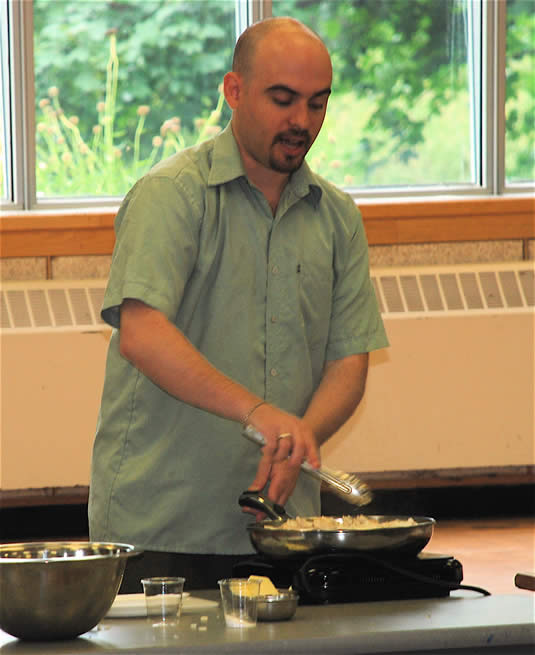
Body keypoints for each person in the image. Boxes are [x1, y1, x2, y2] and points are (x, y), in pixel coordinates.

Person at [88, 16, 388, 591]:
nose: (302, 121)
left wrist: (301, 433)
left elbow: (349, 362)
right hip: (160, 528)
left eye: (318, 103)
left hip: (282, 528)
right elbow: (143, 333)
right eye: (283, 99)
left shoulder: (337, 217)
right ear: (234, 91)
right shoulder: (171, 195)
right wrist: (258, 413)